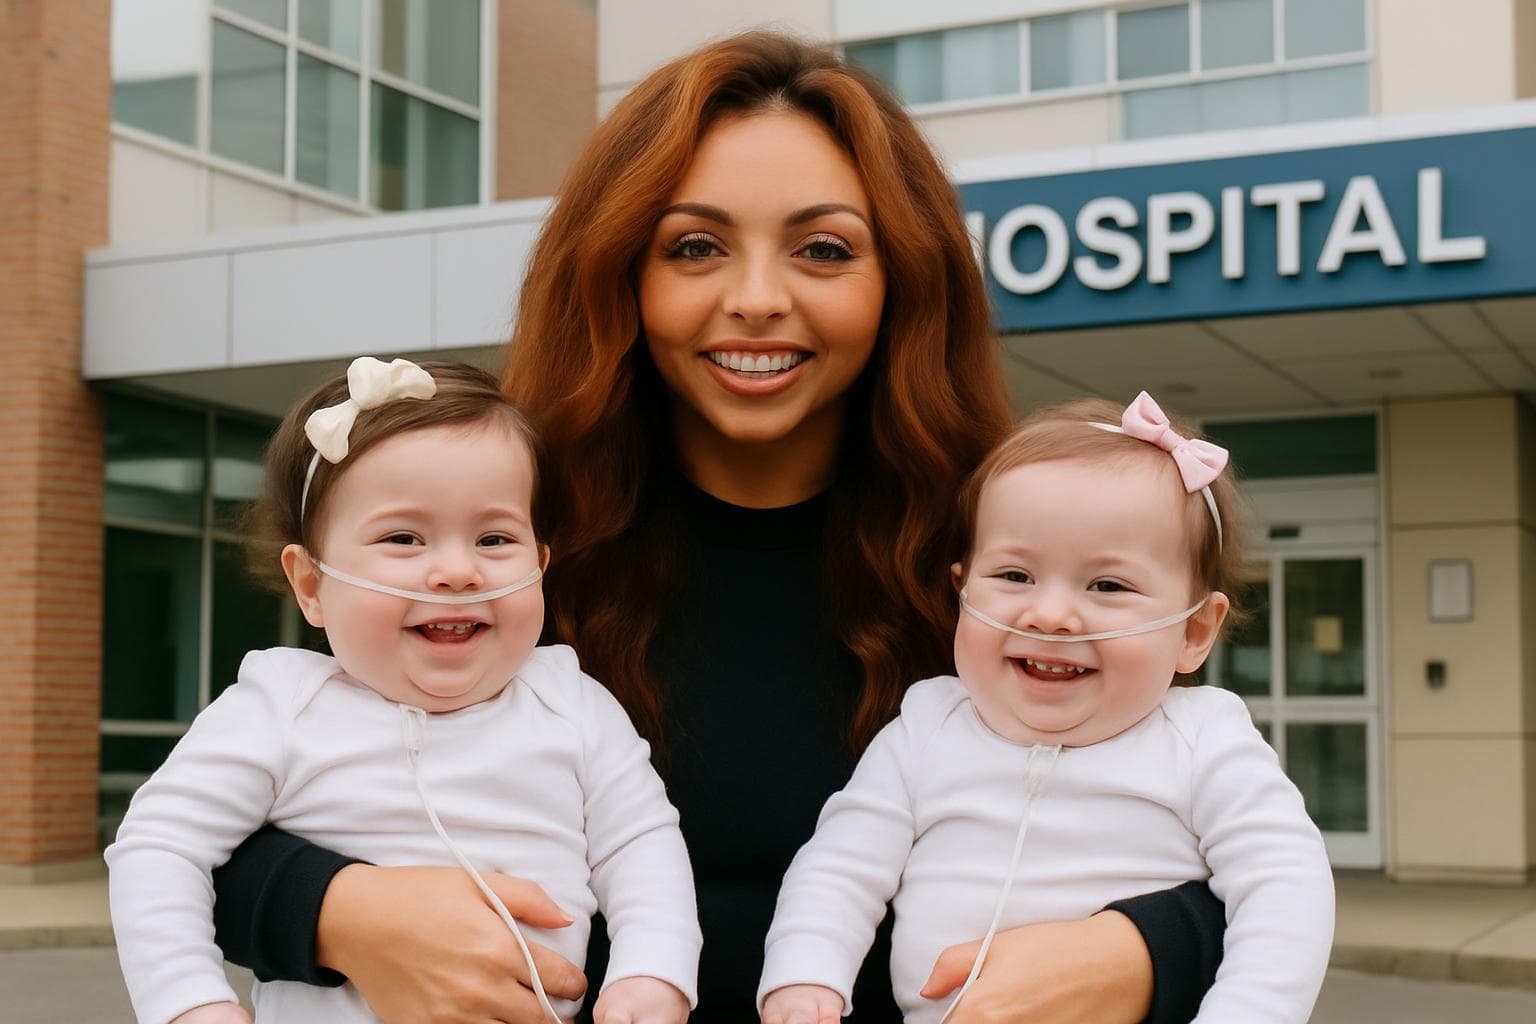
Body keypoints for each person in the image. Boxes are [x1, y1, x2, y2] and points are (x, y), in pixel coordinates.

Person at [208, 32, 1232, 1023]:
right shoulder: (494, 546)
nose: (756, 299)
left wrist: (1142, 954)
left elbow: (1242, 856)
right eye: (695, 246)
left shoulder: (1017, 562)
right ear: (619, 270)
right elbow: (201, 836)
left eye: (824, 249)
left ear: (905, 281)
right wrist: (340, 912)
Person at [106, 359, 700, 1024]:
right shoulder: (279, 710)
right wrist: (190, 1003)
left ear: (540, 565)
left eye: (494, 538)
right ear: (310, 585)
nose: (457, 571)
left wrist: (653, 971)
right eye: (403, 537)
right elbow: (160, 848)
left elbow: (640, 844)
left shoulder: (572, 704)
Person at [758, 394, 1335, 1024]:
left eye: (1107, 585)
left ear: (1195, 632)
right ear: (961, 591)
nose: (1050, 615)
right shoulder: (927, 728)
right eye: (1015, 576)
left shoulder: (1203, 742)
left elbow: (1285, 889)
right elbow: (841, 865)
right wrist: (805, 974)